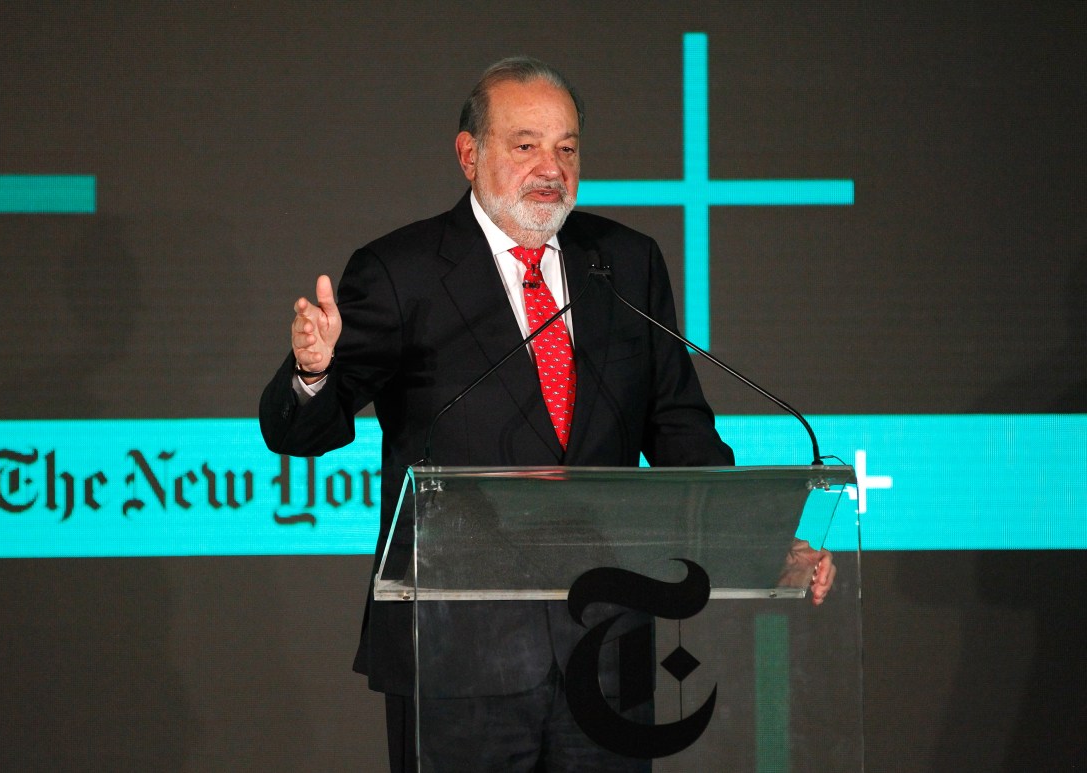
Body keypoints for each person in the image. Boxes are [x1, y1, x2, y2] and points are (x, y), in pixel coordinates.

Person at [260, 56, 833, 772]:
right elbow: (303, 428)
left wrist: (758, 543)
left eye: (567, 147)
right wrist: (314, 372)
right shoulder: (402, 271)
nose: (550, 167)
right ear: (469, 155)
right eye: (524, 144)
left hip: (607, 653)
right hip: (456, 660)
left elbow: (681, 430)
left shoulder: (624, 263)